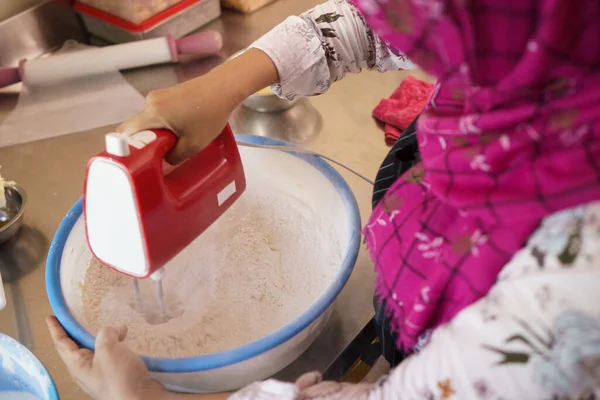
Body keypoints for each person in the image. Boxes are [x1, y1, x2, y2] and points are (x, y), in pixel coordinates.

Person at [48, 0, 600, 398]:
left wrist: (140, 397)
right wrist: (221, 85)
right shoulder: (552, 43)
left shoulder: (575, 292)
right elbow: (385, 21)